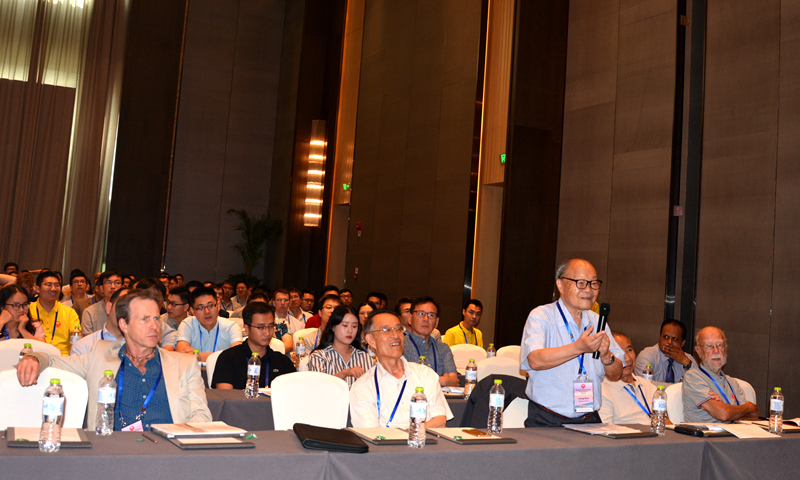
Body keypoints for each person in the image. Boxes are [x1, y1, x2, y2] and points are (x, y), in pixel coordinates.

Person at [16, 289, 212, 431]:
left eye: (155, 319)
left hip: (167, 453)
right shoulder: (99, 355)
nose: (154, 326)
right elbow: (56, 361)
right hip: (111, 451)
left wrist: (176, 438)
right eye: (144, 319)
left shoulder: (184, 364)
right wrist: (34, 357)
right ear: (123, 325)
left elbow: (202, 416)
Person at [520, 258, 623, 427]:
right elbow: (534, 360)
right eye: (581, 283)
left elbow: (616, 374)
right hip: (548, 419)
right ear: (560, 285)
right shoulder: (542, 316)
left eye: (593, 283)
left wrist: (606, 356)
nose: (588, 290)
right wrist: (579, 347)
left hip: (589, 419)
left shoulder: (599, 322)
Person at [350, 310, 452, 428]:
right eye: (386, 330)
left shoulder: (425, 374)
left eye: (398, 329)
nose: (395, 335)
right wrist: (412, 433)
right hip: (391, 441)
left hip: (426, 440)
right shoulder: (363, 387)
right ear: (371, 340)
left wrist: (407, 434)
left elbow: (440, 421)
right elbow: (371, 434)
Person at [682, 326, 758, 423]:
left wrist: (725, 407)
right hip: (706, 432)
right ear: (699, 351)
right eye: (709, 346)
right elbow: (723, 414)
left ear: (725, 348)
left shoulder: (732, 383)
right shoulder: (693, 377)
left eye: (719, 345)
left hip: (734, 431)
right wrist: (749, 407)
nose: (716, 351)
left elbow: (753, 416)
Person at [212, 302, 295, 389]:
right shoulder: (228, 358)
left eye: (271, 326)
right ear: (247, 328)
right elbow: (225, 395)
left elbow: (294, 392)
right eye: (261, 327)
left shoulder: (282, 361)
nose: (267, 333)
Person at [599, 332, 661, 426]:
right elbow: (607, 430)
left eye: (629, 350)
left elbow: (663, 421)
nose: (627, 358)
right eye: (619, 352)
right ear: (606, 358)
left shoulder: (647, 385)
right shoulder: (602, 390)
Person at [308, 305, 374, 387]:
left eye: (354, 326)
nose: (350, 331)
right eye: (345, 325)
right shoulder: (319, 356)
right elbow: (318, 387)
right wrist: (344, 373)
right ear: (333, 327)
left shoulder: (364, 357)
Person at [402, 296, 459, 387]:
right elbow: (403, 380)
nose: (426, 319)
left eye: (431, 315)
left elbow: (453, 380)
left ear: (436, 322)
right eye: (421, 314)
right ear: (410, 318)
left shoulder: (443, 348)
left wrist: (423, 381)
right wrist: (441, 381)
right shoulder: (400, 346)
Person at [176, 286, 242, 361]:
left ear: (218, 306)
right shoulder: (187, 324)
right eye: (200, 307)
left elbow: (237, 355)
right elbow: (181, 355)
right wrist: (224, 356)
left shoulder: (231, 326)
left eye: (210, 305)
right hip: (194, 369)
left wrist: (197, 355)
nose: (207, 311)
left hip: (221, 369)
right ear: (192, 311)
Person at [28, 271, 81, 355]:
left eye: (57, 285)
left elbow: (76, 338)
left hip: (62, 357)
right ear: (37, 289)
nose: (53, 289)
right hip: (34, 355)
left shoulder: (69, 312)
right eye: (48, 285)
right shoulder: (28, 310)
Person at [634, 319, 697, 385]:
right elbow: (645, 385)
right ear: (659, 338)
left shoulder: (688, 359)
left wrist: (687, 363)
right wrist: (681, 388)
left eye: (675, 339)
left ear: (682, 343)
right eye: (666, 337)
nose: (669, 342)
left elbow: (699, 385)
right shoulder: (647, 355)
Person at [81, 270, 123, 335]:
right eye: (108, 283)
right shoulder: (89, 312)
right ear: (101, 288)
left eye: (117, 283)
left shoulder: (129, 311)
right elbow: (88, 339)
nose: (113, 286)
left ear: (122, 287)